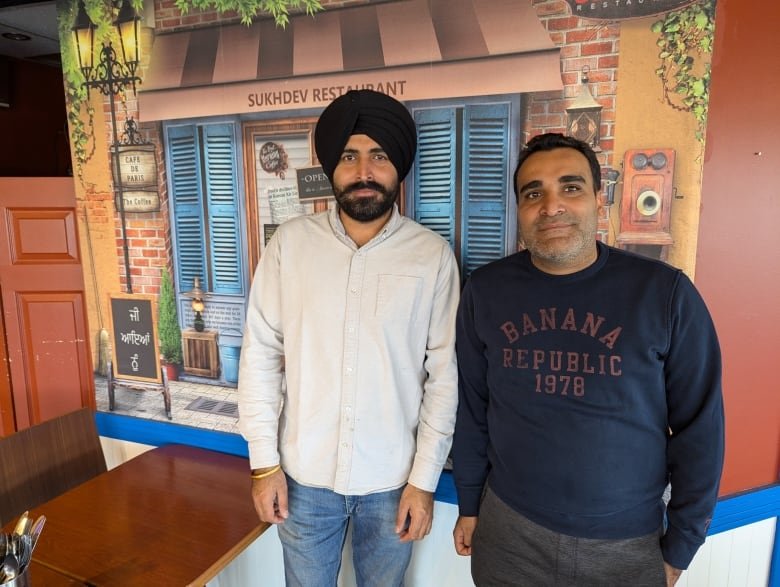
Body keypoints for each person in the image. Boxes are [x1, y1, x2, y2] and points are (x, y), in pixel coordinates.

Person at [452, 133, 724, 586]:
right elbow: (472, 408)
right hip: (507, 535)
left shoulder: (665, 294)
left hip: (626, 544)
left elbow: (701, 429)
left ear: (600, 199)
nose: (551, 205)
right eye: (533, 192)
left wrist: (681, 545)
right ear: (519, 207)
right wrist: (468, 505)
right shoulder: (485, 291)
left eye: (571, 187)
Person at [238, 89, 460, 586]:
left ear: (398, 166)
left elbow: (445, 377)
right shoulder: (289, 246)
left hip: (392, 483)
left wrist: (423, 483)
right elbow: (259, 356)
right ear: (331, 168)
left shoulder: (431, 257)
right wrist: (263, 465)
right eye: (349, 156)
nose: (364, 172)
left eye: (379, 156)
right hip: (301, 480)